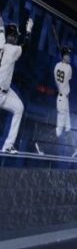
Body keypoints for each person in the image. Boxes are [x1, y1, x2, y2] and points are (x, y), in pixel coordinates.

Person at [0, 15, 34, 154]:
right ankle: (7, 146)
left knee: (19, 107)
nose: (16, 39)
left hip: (5, 92)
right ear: (12, 37)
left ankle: (8, 145)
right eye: (15, 36)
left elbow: (2, 30)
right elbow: (25, 46)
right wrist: (29, 31)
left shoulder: (1, 42)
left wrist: (2, 25)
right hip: (1, 92)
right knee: (19, 108)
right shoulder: (12, 50)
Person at [54, 46, 77, 158]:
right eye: (67, 55)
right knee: (60, 128)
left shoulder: (56, 66)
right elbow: (68, 78)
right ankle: (40, 144)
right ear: (63, 56)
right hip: (63, 98)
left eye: (69, 55)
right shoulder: (68, 68)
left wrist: (62, 61)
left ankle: (72, 149)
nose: (69, 57)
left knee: (68, 125)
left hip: (62, 98)